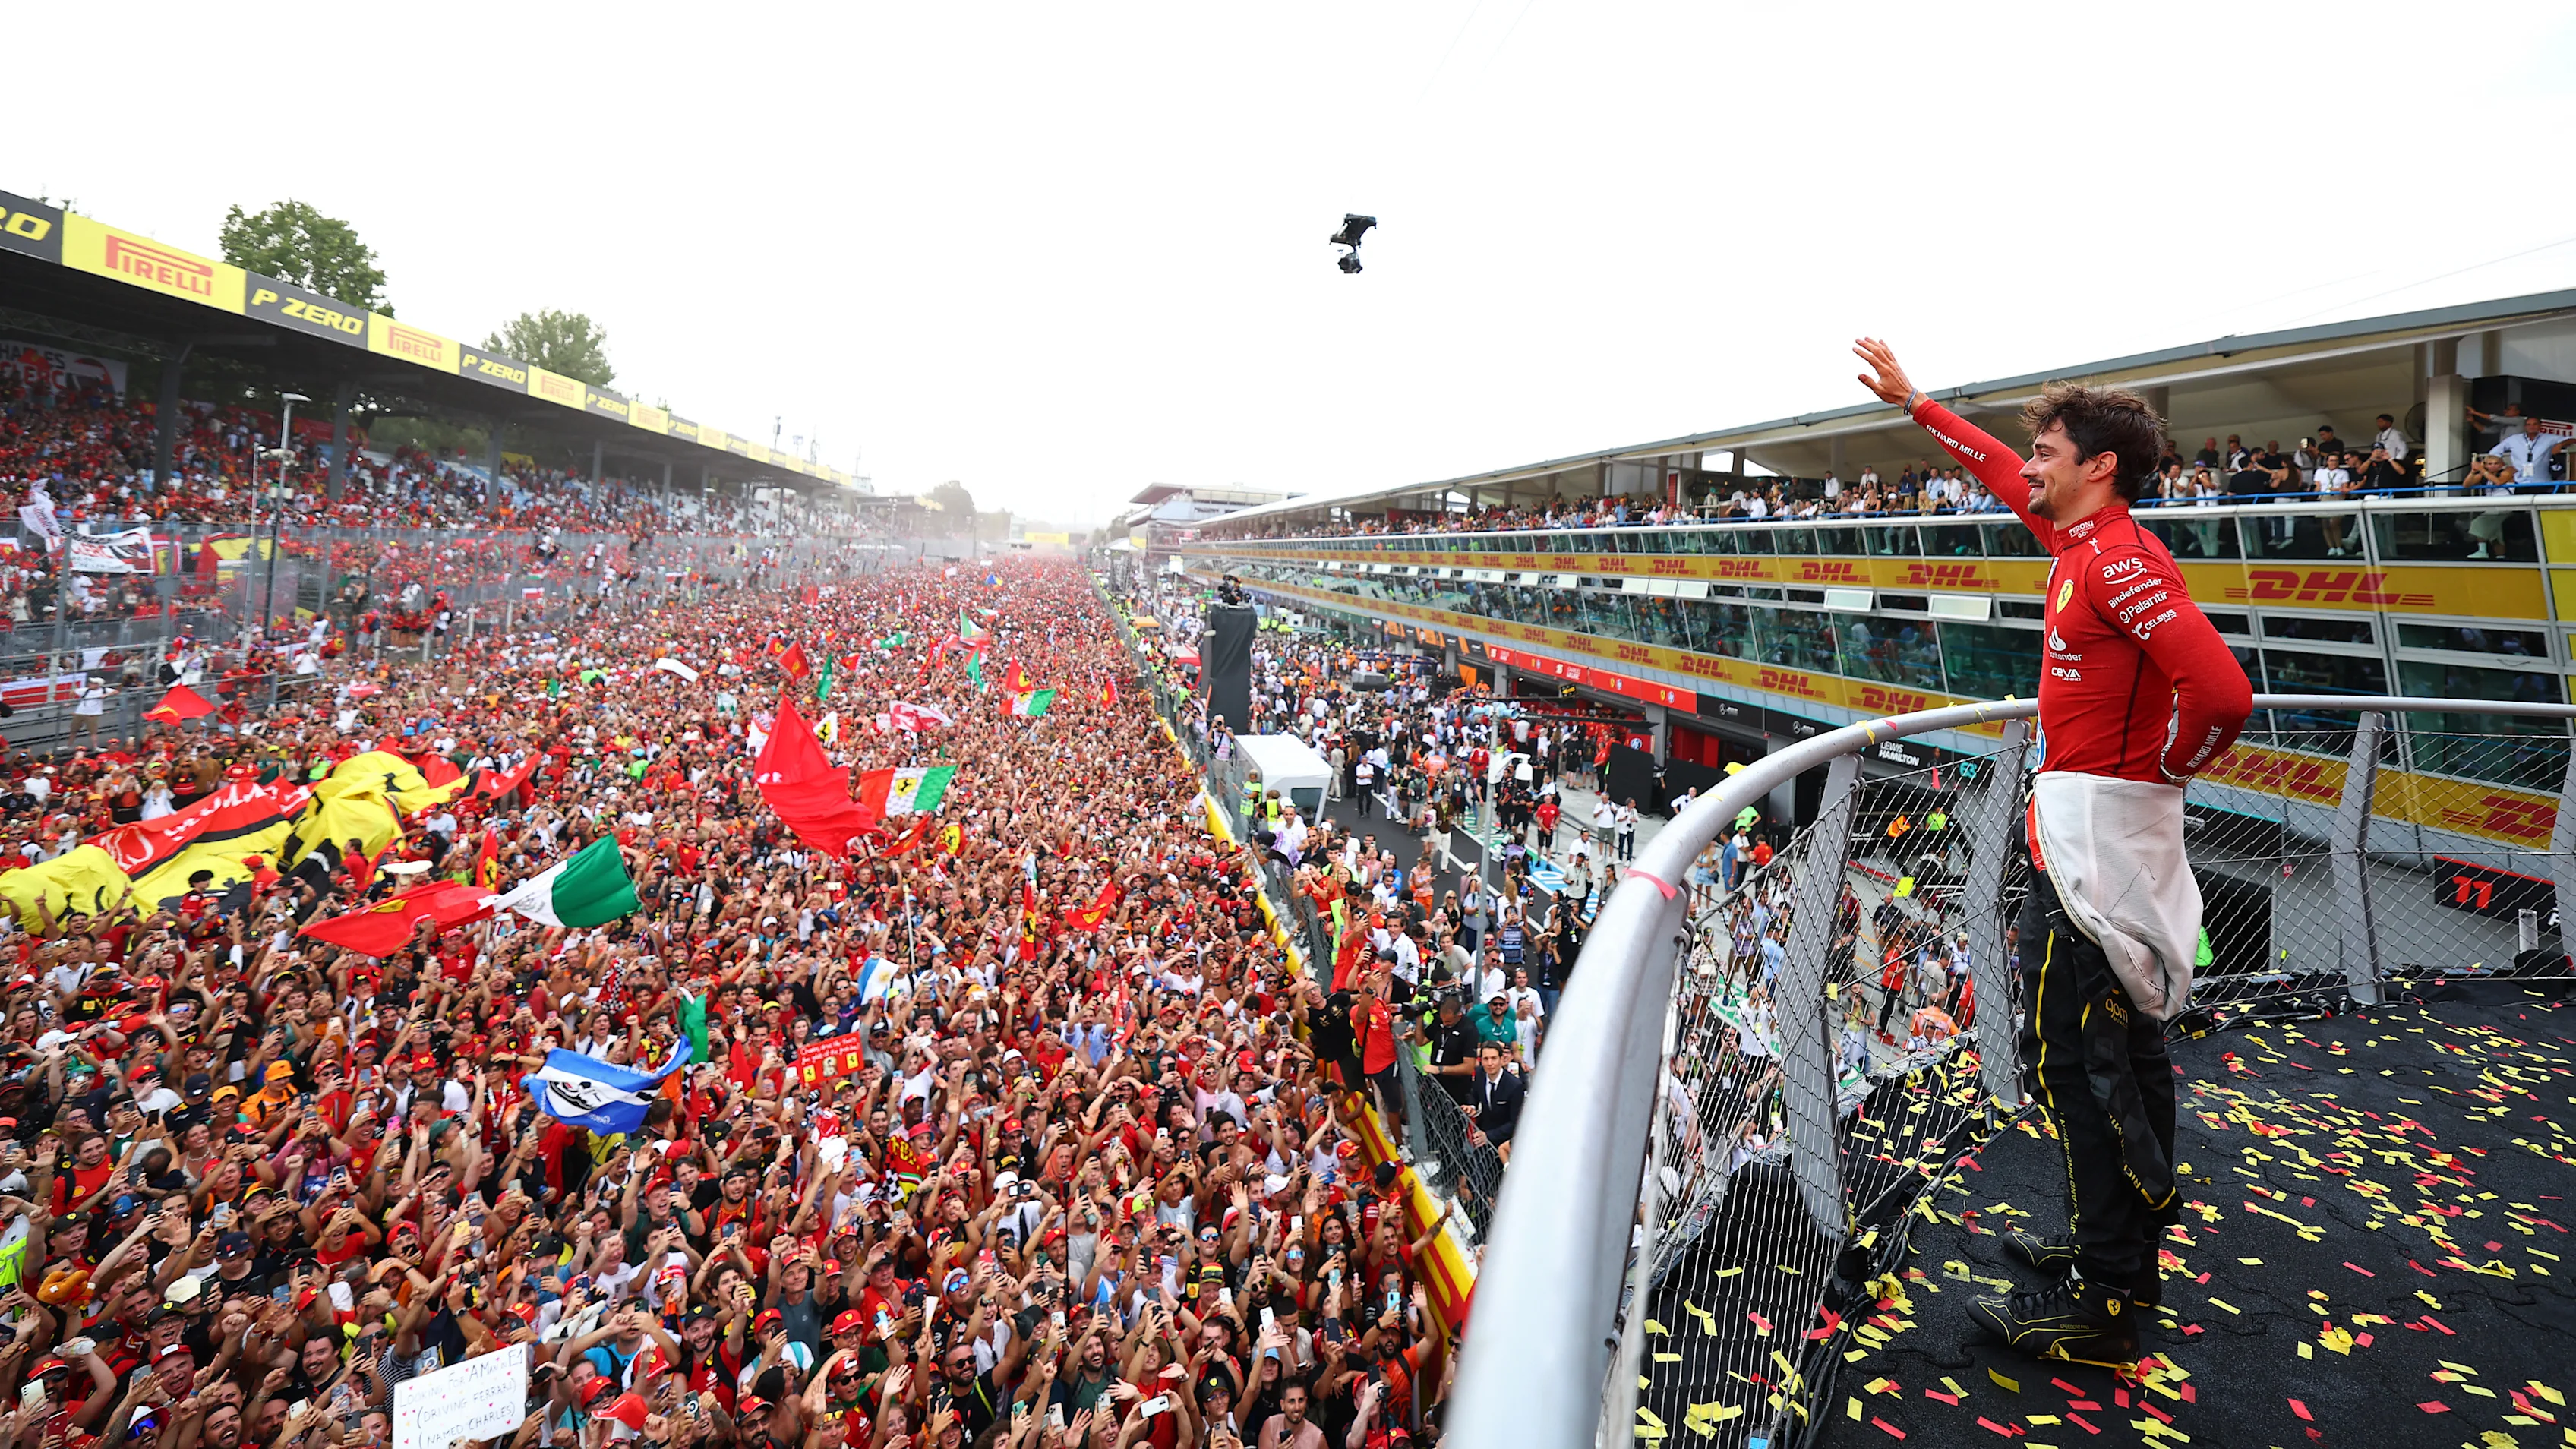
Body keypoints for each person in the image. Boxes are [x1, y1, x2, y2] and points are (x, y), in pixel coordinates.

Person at [1858, 336, 2252, 1365]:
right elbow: (1993, 473)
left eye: (2046, 451)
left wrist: (2154, 777)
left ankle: (2112, 1303)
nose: (2028, 466)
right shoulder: (2080, 545)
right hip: (2080, 844)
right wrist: (1918, 405)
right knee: (2096, 1058)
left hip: (2099, 851)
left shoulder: (2119, 561)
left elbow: (2221, 696)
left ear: (2098, 466)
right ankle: (2106, 1248)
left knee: (2089, 1071)